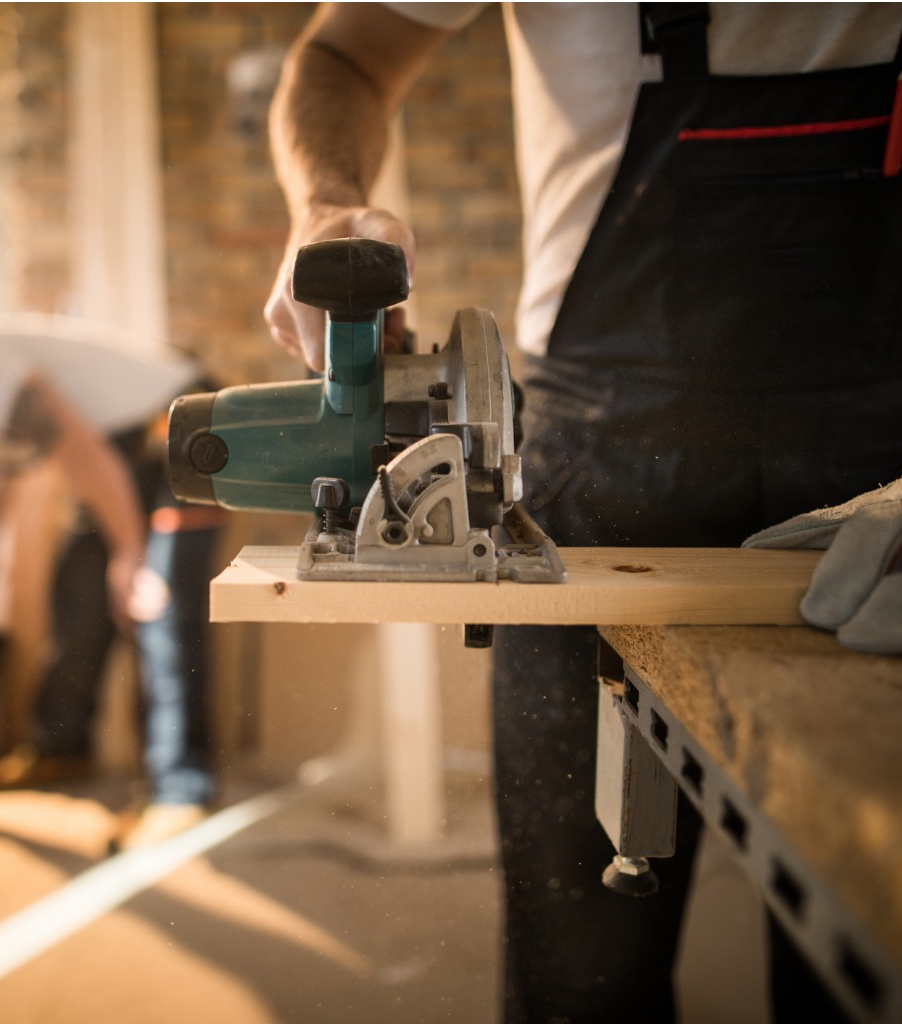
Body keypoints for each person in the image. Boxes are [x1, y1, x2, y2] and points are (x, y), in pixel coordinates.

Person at [264, 4, 902, 1022]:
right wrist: (325, 206)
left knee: (865, 944)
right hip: (604, 464)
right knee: (579, 977)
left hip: (884, 482)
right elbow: (342, 52)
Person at [0, 313, 225, 850]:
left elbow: (80, 449)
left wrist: (131, 556)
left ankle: (180, 790)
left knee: (158, 601)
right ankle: (64, 748)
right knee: (79, 591)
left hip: (182, 423)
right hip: (118, 453)